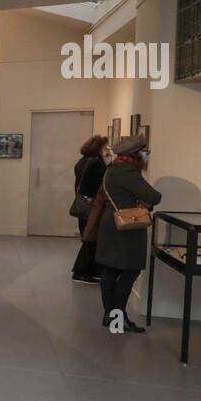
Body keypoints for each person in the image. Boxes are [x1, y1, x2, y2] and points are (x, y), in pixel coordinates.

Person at [94, 134, 161, 333]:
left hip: (110, 223)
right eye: (144, 153)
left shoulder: (112, 169)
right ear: (136, 154)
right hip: (125, 227)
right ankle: (117, 316)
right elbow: (153, 196)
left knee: (111, 270)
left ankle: (111, 317)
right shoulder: (127, 172)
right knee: (129, 270)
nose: (146, 156)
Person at [70, 134, 108, 284]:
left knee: (88, 238)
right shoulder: (97, 163)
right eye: (105, 147)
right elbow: (101, 184)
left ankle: (88, 270)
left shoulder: (81, 161)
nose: (107, 150)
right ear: (98, 147)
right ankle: (81, 271)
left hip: (84, 205)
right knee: (91, 239)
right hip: (92, 206)